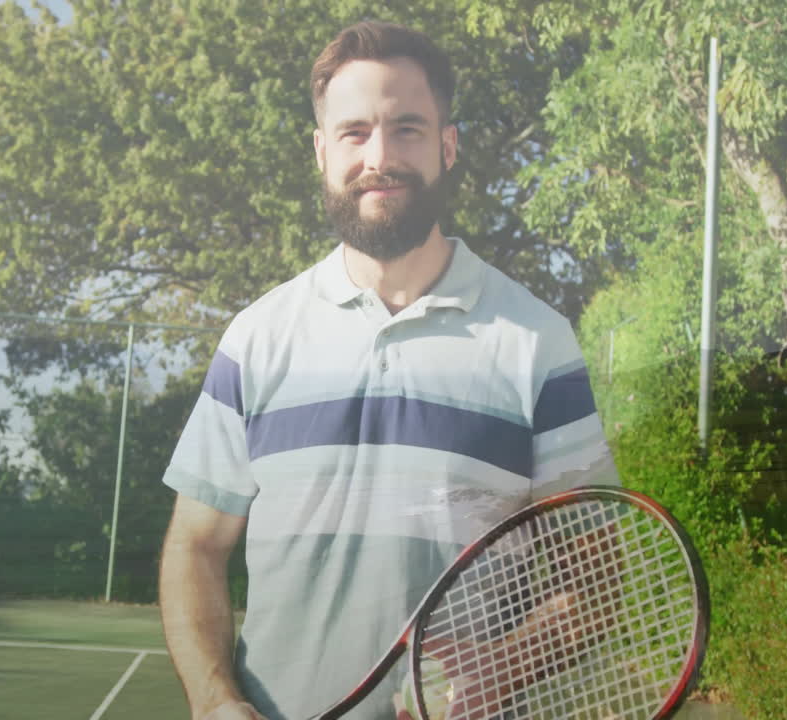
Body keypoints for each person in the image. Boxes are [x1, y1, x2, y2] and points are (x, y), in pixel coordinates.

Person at [158, 21, 618, 720]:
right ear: (321, 151)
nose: (380, 156)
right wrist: (215, 700)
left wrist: (503, 668)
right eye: (354, 132)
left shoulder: (537, 343)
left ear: (447, 145)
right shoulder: (256, 339)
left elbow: (597, 578)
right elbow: (195, 545)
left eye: (407, 128)